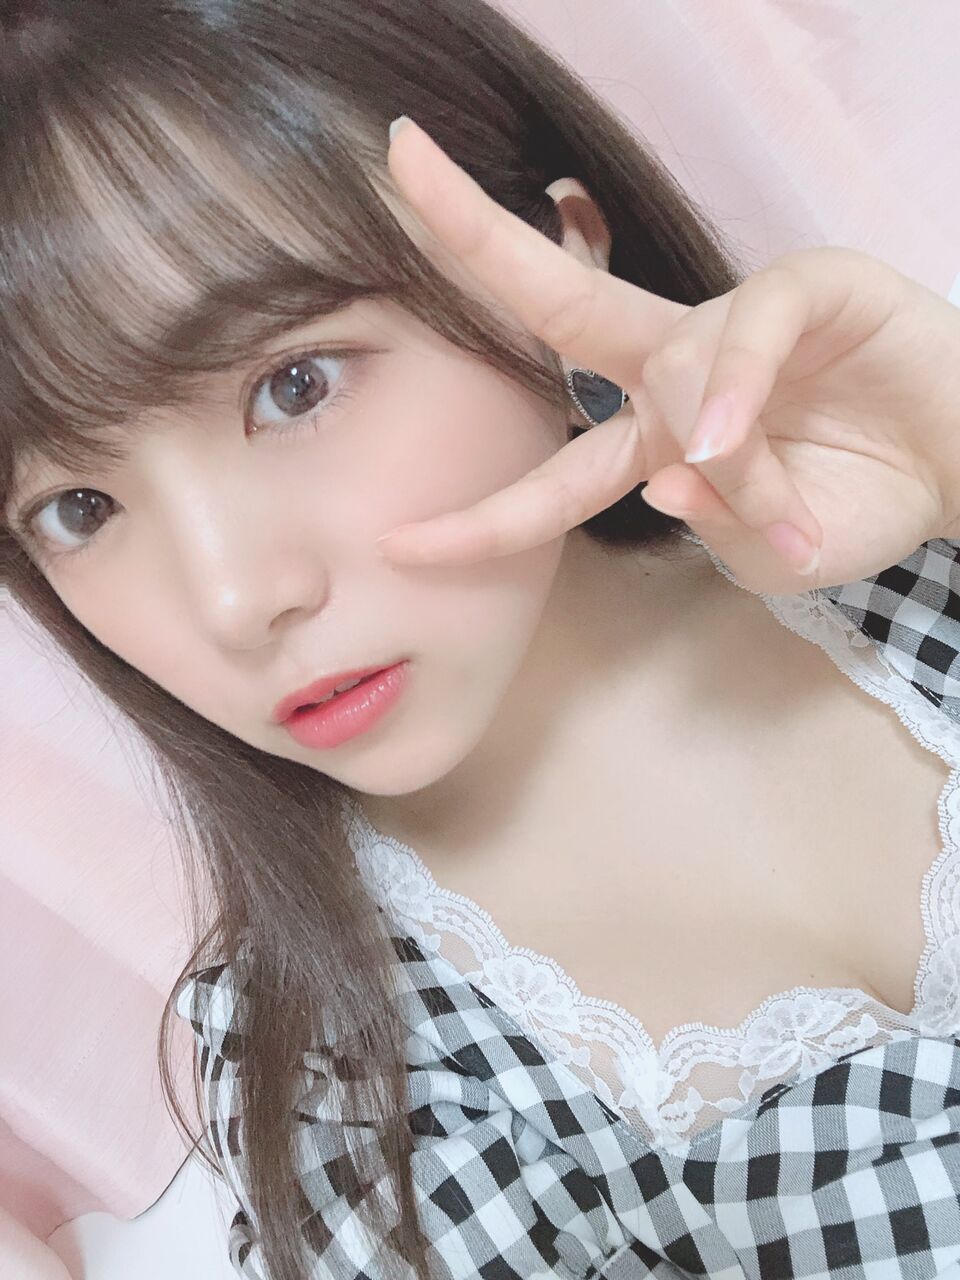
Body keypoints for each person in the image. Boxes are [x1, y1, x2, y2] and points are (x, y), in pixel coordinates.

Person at [3, 2, 960, 1278]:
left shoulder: (904, 519)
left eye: (294, 383)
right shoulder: (349, 1078)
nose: (232, 600)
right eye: (79, 508)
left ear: (560, 256)